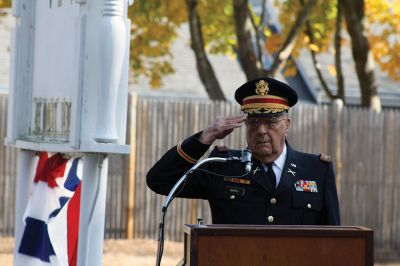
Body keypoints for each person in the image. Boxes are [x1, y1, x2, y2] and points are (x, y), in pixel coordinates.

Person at [146, 77, 340, 225]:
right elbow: (160, 180)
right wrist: (203, 139)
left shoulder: (315, 170)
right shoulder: (223, 166)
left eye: (271, 122)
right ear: (245, 125)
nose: (262, 130)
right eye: (254, 122)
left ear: (286, 125)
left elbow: (333, 239)